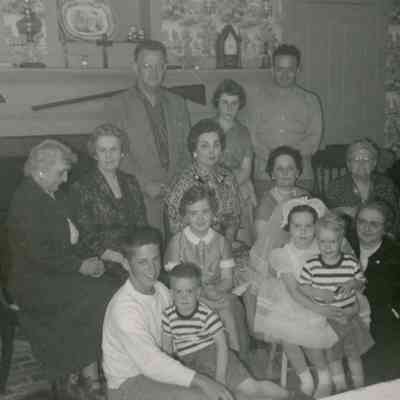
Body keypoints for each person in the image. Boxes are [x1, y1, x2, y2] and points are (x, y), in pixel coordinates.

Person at [7, 140, 118, 398]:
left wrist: (93, 260)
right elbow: (39, 254)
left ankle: (88, 369)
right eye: (61, 173)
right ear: (41, 171)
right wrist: (80, 266)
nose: (66, 179)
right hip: (34, 282)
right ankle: (82, 374)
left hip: (56, 271)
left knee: (108, 287)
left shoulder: (52, 195)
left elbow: (72, 240)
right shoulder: (26, 201)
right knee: (94, 296)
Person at [102, 226, 233, 400]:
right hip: (128, 383)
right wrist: (202, 381)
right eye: (142, 262)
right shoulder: (124, 310)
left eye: (155, 259)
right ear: (126, 264)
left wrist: (212, 305)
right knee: (204, 395)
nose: (152, 269)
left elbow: (181, 318)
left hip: (159, 367)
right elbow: (151, 362)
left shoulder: (160, 289)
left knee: (227, 386)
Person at [162, 262, 306, 400]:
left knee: (251, 388)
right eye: (178, 291)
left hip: (214, 357)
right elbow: (167, 350)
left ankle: (289, 395)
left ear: (198, 292)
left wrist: (220, 377)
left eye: (189, 291)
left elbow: (222, 346)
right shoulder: (168, 315)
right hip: (188, 362)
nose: (184, 297)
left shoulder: (206, 315)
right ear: (171, 293)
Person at [253, 199, 343, 397]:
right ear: (288, 227)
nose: (303, 231)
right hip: (292, 302)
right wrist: (319, 309)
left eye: (308, 226)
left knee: (313, 338)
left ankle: (325, 377)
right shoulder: (282, 254)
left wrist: (327, 302)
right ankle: (305, 378)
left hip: (320, 301)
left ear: (317, 227)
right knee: (288, 335)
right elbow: (293, 291)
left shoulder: (324, 249)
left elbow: (334, 276)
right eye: (297, 226)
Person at [104, 40, 191, 232]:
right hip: (138, 197)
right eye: (147, 66)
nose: (154, 72)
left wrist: (179, 184)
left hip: (178, 196)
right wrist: (145, 184)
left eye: (159, 66)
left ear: (165, 68)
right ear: (135, 68)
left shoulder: (178, 103)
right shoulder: (117, 105)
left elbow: (187, 148)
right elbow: (115, 154)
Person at [298, 212, 374, 393]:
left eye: (332, 242)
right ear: (317, 241)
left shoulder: (350, 262)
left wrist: (353, 283)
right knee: (334, 358)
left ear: (341, 241)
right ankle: (340, 388)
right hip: (326, 320)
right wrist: (317, 292)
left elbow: (361, 282)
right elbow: (303, 287)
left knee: (354, 355)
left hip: (349, 317)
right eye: (322, 242)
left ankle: (360, 388)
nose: (327, 246)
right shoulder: (311, 265)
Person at [164, 185, 240, 353]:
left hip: (214, 291)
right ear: (185, 216)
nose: (200, 218)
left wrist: (216, 290)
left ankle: (233, 352)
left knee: (228, 309)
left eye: (205, 212)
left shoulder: (221, 242)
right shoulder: (177, 243)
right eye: (193, 213)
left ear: (214, 213)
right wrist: (205, 298)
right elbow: (176, 285)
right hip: (185, 295)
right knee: (216, 309)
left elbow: (227, 280)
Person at [70, 123, 147, 280]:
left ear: (122, 153)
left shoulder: (131, 181)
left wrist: (140, 254)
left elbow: (141, 224)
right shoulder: (82, 186)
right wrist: (113, 256)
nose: (108, 156)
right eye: (102, 150)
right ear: (95, 154)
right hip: (103, 262)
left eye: (113, 150)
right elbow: (85, 235)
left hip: (133, 256)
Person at [252, 44, 323, 192]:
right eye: (280, 69)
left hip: (301, 176)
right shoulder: (257, 99)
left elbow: (313, 141)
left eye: (290, 69)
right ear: (272, 70)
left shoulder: (311, 101)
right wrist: (275, 162)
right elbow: (252, 138)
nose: (284, 74)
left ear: (298, 70)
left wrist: (290, 163)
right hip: (265, 175)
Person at [165, 118, 241, 243]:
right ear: (194, 151)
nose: (212, 151)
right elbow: (175, 227)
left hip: (224, 244)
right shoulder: (184, 182)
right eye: (205, 146)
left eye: (216, 145)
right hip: (191, 246)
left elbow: (234, 217)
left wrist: (227, 243)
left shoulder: (227, 177)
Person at [348, 201, 400, 384]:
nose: (366, 228)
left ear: (385, 228)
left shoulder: (395, 254)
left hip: (381, 321)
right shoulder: (343, 245)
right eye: (361, 221)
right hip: (344, 316)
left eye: (374, 224)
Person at [326, 139, 399, 237]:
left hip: (380, 236)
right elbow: (329, 220)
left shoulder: (385, 184)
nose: (361, 163)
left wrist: (389, 237)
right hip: (347, 237)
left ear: (374, 163)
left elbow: (394, 217)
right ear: (348, 164)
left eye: (366, 159)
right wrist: (339, 211)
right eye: (356, 159)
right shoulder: (336, 186)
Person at [212, 79, 256, 244]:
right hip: (211, 185)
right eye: (225, 102)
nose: (229, 108)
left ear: (240, 105)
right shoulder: (206, 127)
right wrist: (218, 188)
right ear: (217, 103)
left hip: (238, 184)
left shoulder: (244, 132)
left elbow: (246, 169)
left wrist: (230, 187)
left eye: (234, 103)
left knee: (241, 240)